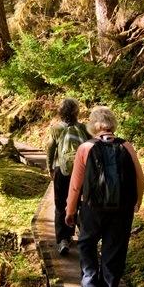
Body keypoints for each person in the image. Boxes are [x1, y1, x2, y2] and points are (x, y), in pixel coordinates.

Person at [65, 106, 144, 287]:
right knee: (114, 251)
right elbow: (139, 176)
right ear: (112, 124)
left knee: (86, 242)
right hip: (122, 208)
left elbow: (76, 184)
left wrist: (70, 210)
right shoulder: (126, 146)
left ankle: (90, 284)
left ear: (93, 125)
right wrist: (138, 202)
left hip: (93, 208)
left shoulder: (86, 148)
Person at [45, 98, 91, 256]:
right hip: (81, 171)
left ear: (60, 112)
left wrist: (49, 167)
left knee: (60, 204)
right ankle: (81, 236)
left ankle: (63, 239)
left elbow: (51, 149)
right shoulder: (84, 128)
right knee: (78, 203)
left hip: (61, 170)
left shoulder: (56, 129)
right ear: (76, 112)